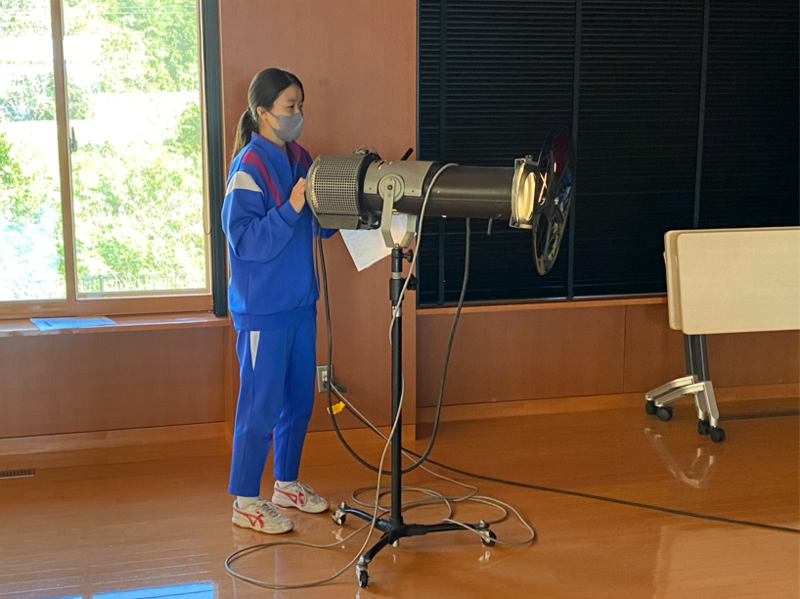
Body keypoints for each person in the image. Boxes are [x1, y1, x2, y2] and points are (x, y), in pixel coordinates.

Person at [222, 68, 335, 534]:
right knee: (260, 408)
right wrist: (291, 208)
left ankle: (286, 484)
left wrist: (346, 206)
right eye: (290, 107)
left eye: (301, 106)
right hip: (263, 311)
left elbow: (318, 222)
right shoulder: (248, 167)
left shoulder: (300, 157)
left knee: (298, 402)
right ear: (262, 112)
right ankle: (246, 501)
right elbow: (245, 240)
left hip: (299, 303)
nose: (298, 114)